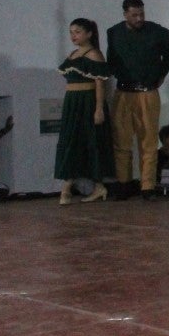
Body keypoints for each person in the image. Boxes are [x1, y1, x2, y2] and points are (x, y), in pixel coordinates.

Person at [106, 0, 169, 201]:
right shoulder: (114, 33)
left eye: (141, 14)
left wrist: (161, 74)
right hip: (124, 91)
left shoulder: (157, 32)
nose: (139, 18)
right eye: (134, 15)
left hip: (147, 91)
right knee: (121, 139)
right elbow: (111, 60)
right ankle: (124, 183)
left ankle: (147, 185)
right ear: (125, 15)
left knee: (147, 140)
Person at [55, 18, 115, 204]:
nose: (74, 36)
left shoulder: (94, 54)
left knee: (89, 141)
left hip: (87, 103)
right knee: (71, 141)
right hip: (72, 104)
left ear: (89, 33)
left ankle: (69, 190)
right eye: (72, 32)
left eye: (78, 32)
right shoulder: (73, 54)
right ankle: (89, 187)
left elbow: (100, 84)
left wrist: (99, 109)